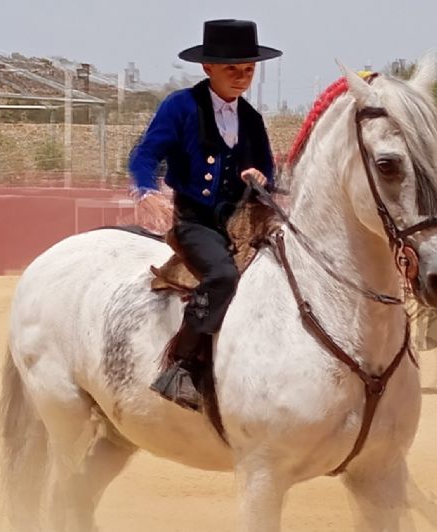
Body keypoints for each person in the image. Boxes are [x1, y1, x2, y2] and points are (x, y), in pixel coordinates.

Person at [128, 19, 282, 411]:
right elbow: (145, 155)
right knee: (222, 276)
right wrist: (145, 189)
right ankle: (179, 367)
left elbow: (266, 167)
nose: (242, 76)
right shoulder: (180, 106)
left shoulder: (250, 118)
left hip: (241, 222)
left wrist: (259, 176)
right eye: (233, 68)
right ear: (207, 67)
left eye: (248, 69)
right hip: (195, 223)